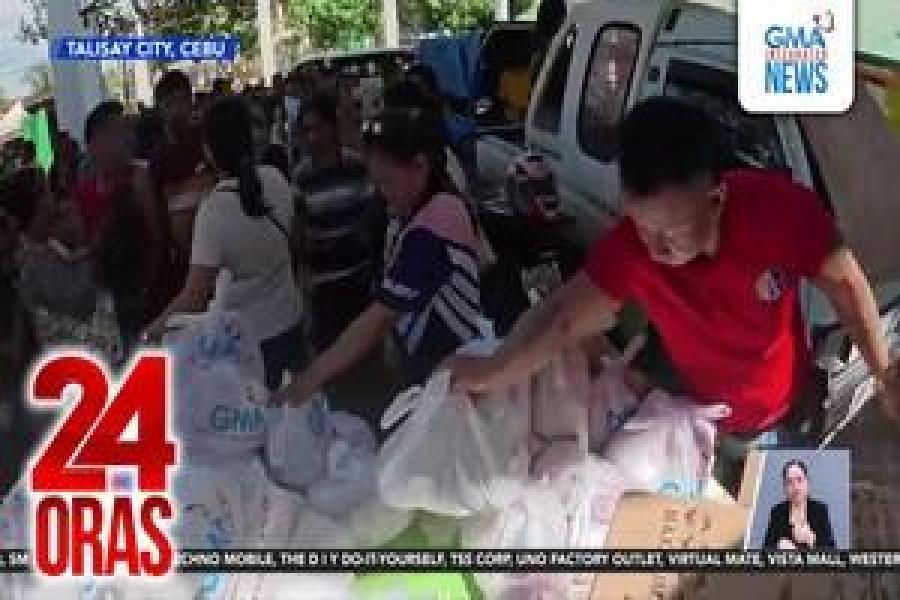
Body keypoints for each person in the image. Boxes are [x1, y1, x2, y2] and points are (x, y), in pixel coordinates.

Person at [448, 97, 900, 486]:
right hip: (700, 419)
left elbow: (847, 288)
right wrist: (489, 372)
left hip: (785, 410)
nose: (655, 248)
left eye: (671, 232)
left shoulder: (781, 213)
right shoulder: (632, 248)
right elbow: (561, 318)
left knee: (790, 533)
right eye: (642, 226)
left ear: (715, 198)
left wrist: (885, 375)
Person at [275, 106, 492, 407]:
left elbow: (378, 319)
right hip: (437, 374)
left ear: (419, 167)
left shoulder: (434, 224)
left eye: (387, 182)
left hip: (451, 382)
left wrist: (308, 381)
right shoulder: (417, 213)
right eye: (376, 183)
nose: (381, 193)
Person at [144, 96, 304, 391]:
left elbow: (194, 296)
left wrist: (152, 331)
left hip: (249, 345)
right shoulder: (276, 179)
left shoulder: (214, 211)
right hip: (292, 325)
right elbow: (294, 242)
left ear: (208, 150)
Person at [292, 94, 383, 351]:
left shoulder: (358, 167)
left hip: (360, 283)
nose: (311, 137)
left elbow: (373, 218)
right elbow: (299, 232)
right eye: (306, 130)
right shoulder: (301, 178)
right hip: (324, 290)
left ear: (332, 128)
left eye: (316, 128)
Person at [148, 70, 215, 323]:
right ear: (160, 109)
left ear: (191, 101)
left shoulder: (207, 144)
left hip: (217, 257)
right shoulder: (157, 160)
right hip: (181, 270)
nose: (177, 110)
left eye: (182, 100)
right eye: (169, 104)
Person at [764, 459, 835, 549]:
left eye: (799, 480)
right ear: (785, 488)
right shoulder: (777, 512)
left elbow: (832, 550)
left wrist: (812, 540)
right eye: (790, 482)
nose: (796, 487)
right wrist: (778, 548)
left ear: (807, 482)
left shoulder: (820, 510)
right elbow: (765, 549)